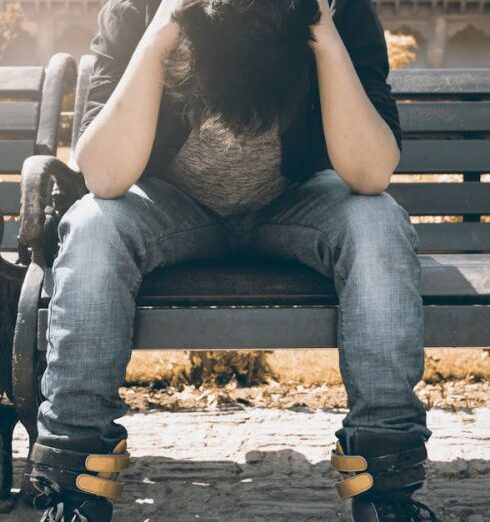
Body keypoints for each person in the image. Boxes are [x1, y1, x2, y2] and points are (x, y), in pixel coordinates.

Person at [29, 0, 438, 520]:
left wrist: (325, 35)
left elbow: (370, 175)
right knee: (92, 225)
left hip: (296, 203)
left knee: (377, 221)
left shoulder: (340, 10)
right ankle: (74, 488)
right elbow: (106, 178)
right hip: (173, 209)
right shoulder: (136, 10)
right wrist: (160, 33)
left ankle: (387, 487)